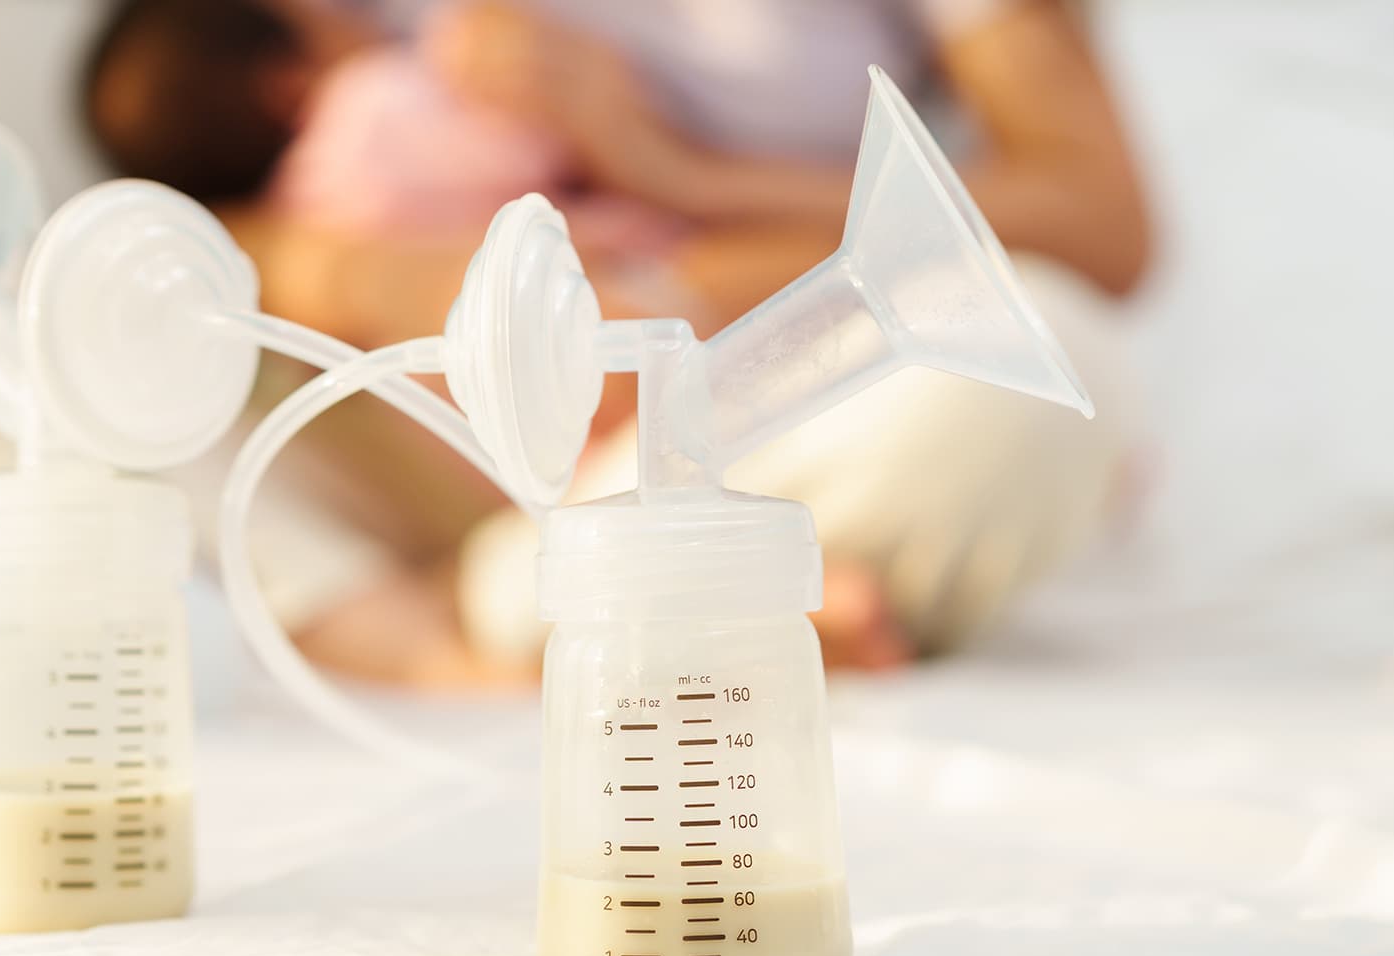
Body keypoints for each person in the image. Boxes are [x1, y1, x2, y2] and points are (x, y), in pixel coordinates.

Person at [82, 0, 1151, 680]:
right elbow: (183, 221)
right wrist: (366, 277)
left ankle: (552, 609)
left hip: (736, 392)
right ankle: (551, 624)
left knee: (1041, 357)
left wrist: (670, 171)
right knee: (59, 350)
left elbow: (1101, 219)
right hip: (419, 439)